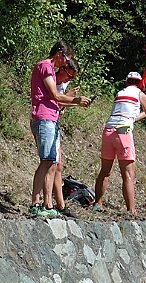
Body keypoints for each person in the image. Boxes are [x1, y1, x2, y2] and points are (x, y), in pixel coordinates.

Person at [30, 41, 91, 217]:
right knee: (46, 161)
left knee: (51, 162)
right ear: (59, 53)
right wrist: (76, 100)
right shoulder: (45, 66)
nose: (65, 63)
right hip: (44, 117)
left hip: (51, 119)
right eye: (65, 59)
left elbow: (56, 99)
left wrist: (75, 102)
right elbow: (55, 95)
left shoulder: (48, 68)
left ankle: (48, 205)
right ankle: (35, 202)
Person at [93, 72, 146, 214]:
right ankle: (131, 210)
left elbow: (131, 117)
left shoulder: (120, 94)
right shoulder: (139, 94)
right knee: (128, 175)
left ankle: (98, 203)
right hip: (124, 132)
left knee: (105, 172)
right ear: (139, 83)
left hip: (108, 130)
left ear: (127, 82)